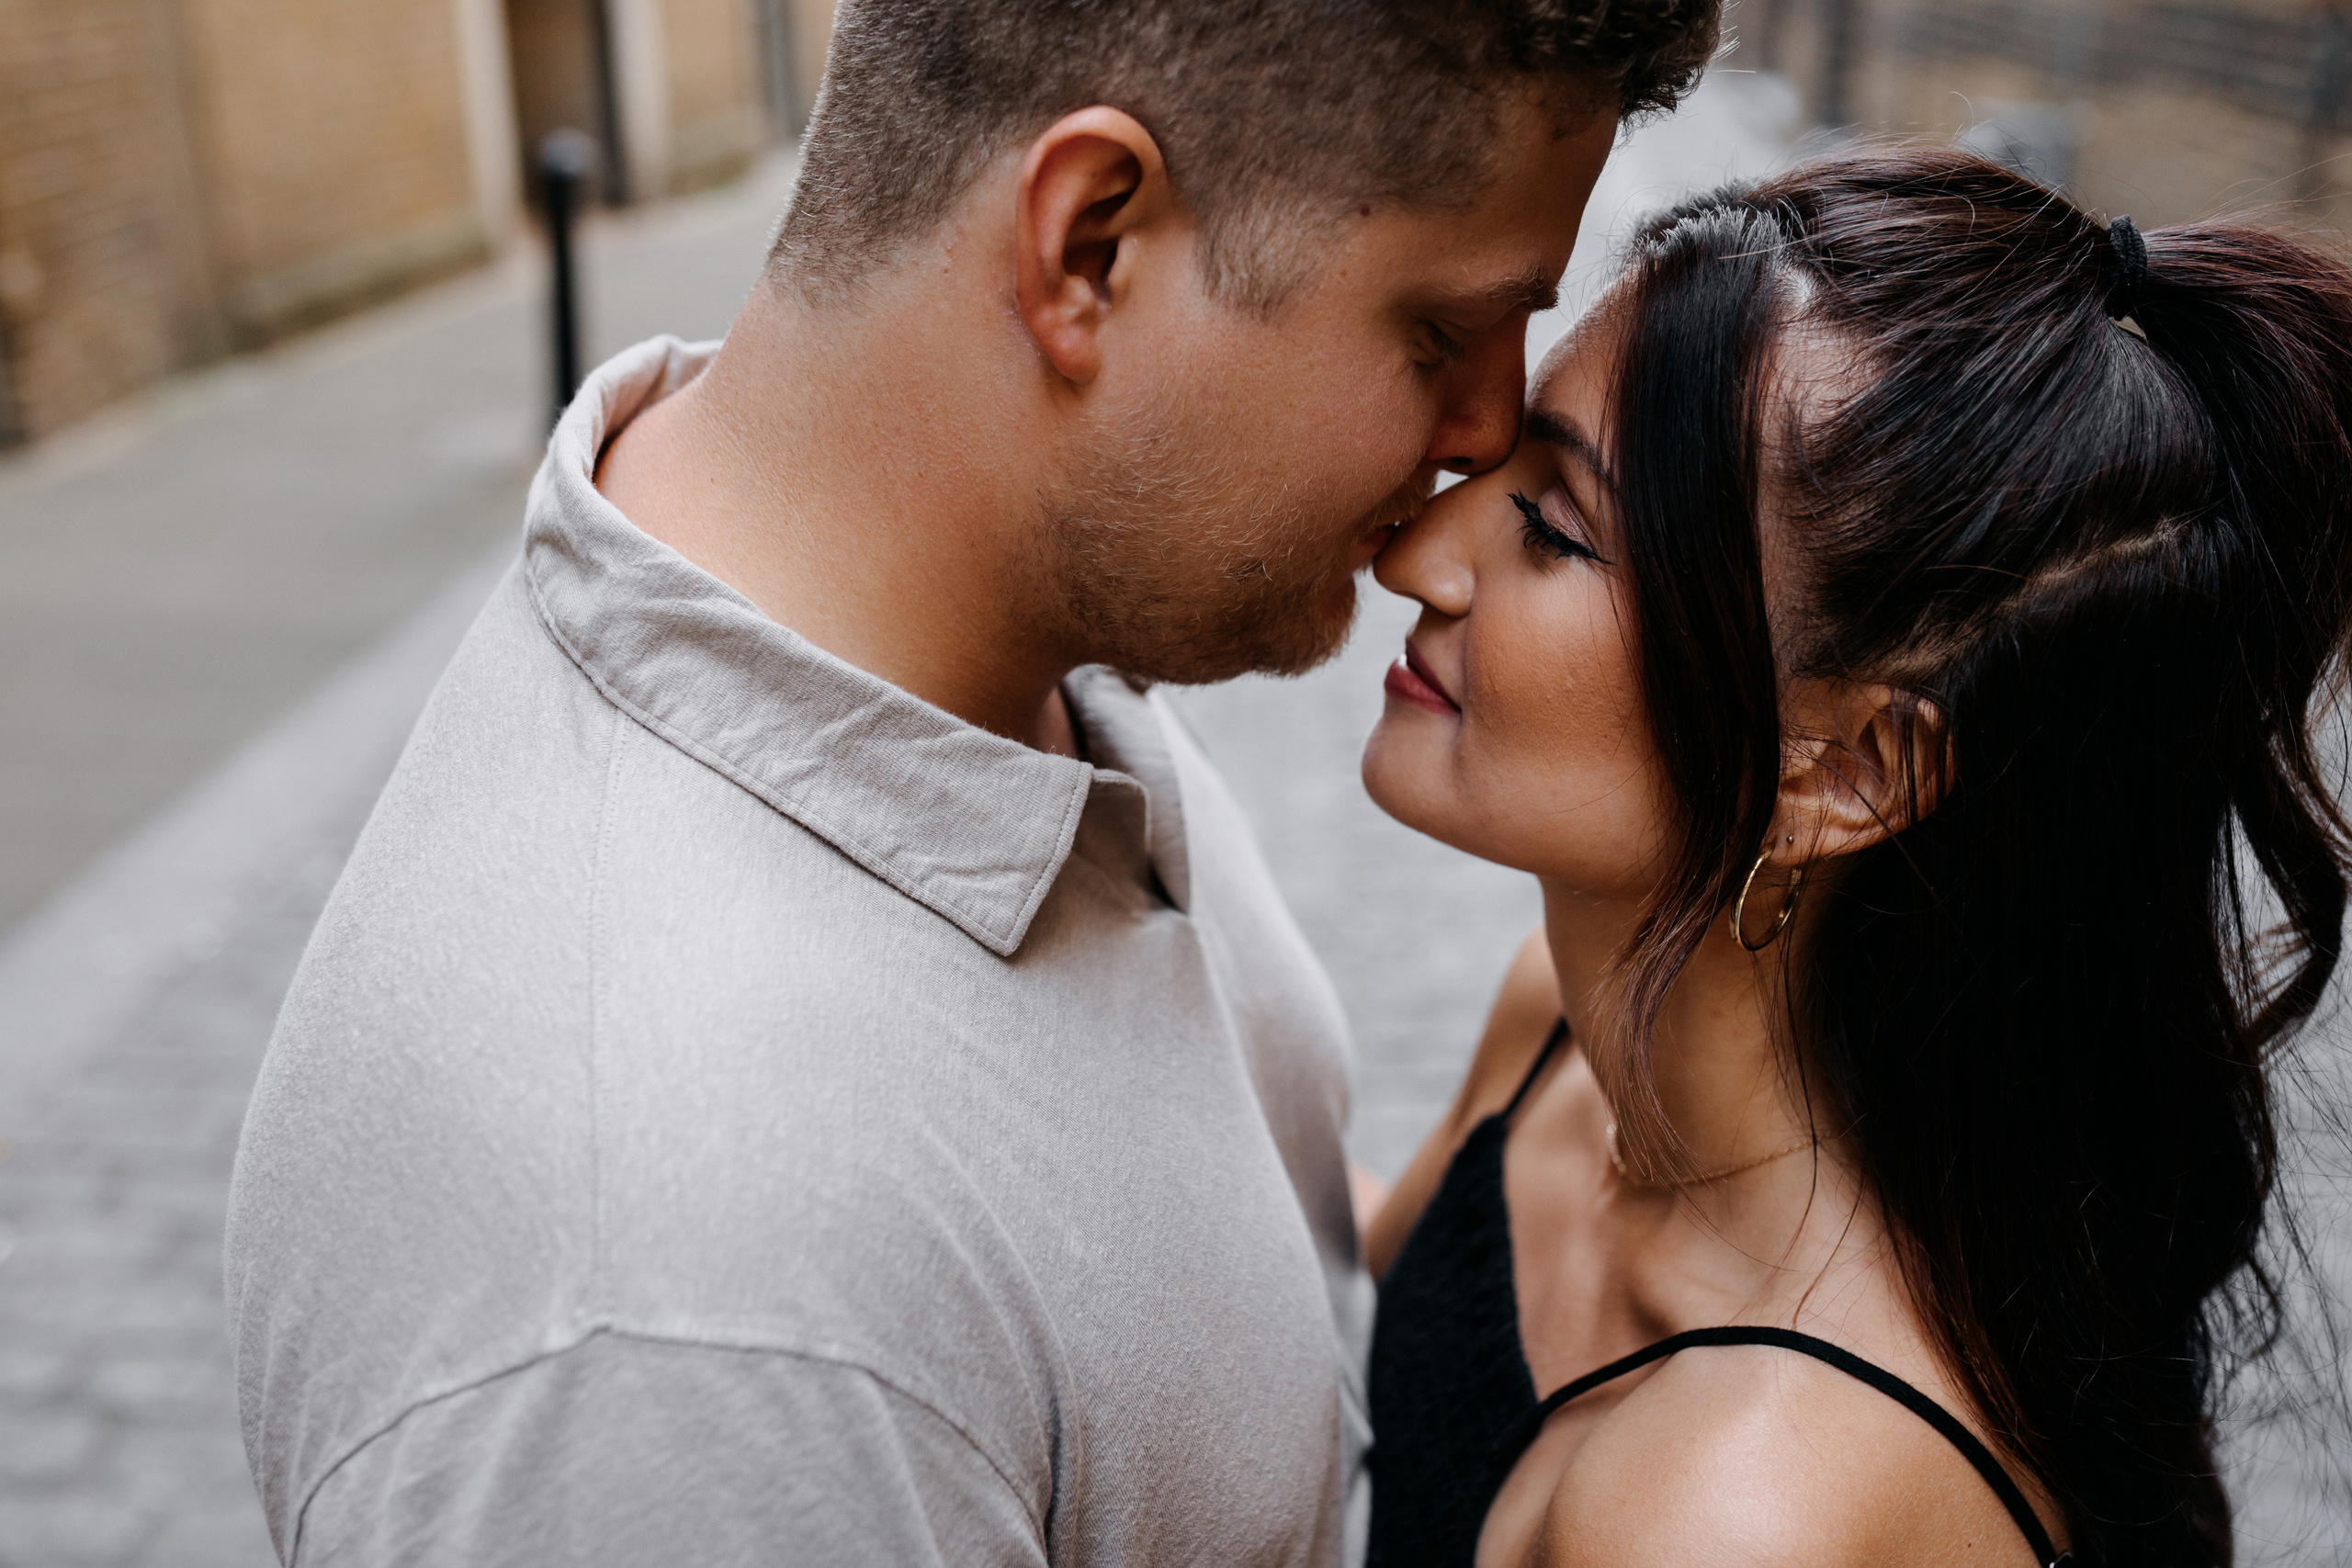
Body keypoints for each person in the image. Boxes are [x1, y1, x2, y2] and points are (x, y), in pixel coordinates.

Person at [222, 2, 1724, 1562]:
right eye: (1436, 335)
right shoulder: (683, 1329)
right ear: (1089, 247)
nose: (1485, 435)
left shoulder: (1017, 616)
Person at [1358, 146, 2352, 1567]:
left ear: (1847, 773)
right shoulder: (1559, 1039)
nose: (1415, 559)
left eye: (1550, 528)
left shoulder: (1738, 1516)